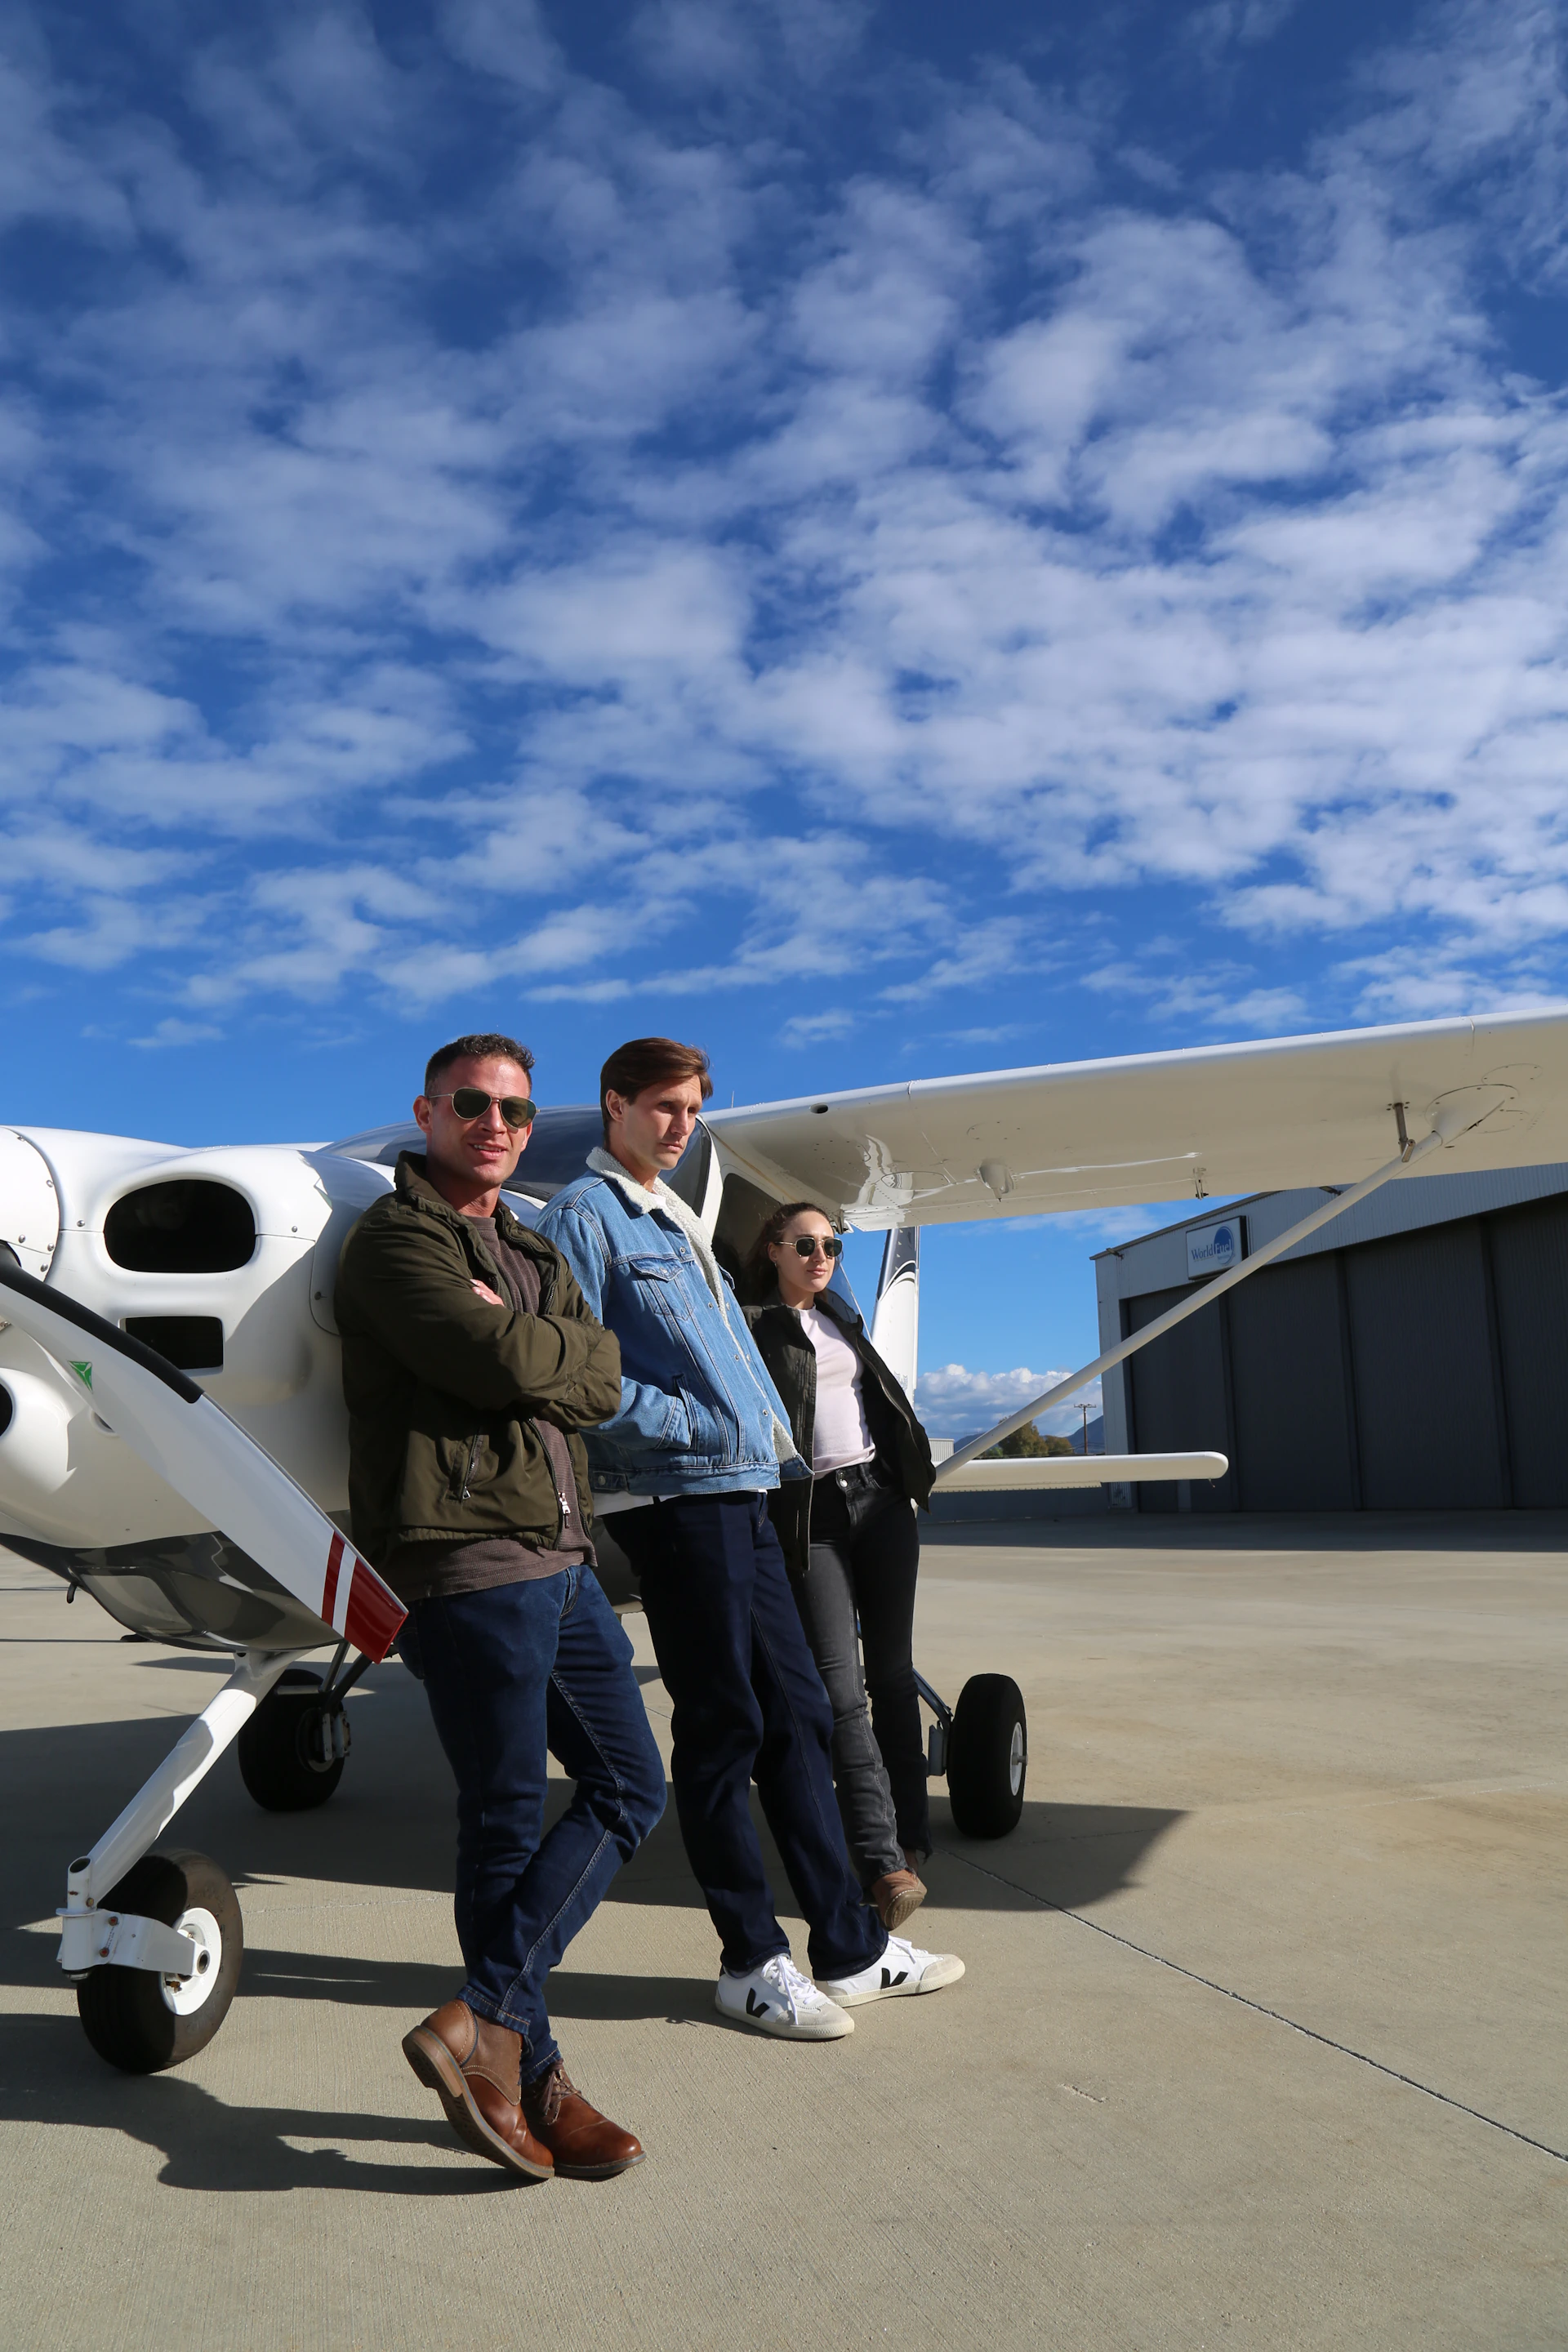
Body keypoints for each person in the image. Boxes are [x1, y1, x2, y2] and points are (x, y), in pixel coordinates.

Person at [536, 1037, 963, 2042]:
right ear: (614, 1106)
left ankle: (850, 1948)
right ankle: (749, 1959)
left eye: (691, 1111)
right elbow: (578, 1375)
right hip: (677, 1498)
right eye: (662, 1108)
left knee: (802, 1711)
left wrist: (754, 1445)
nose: (680, 1126)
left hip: (749, 1495)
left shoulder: (675, 1218)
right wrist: (704, 1427)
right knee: (726, 1726)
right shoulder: (584, 1219)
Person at [335, 1032, 666, 2182]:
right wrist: (548, 1351)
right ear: (425, 1114)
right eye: (471, 1104)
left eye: (516, 1112)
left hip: (562, 1555)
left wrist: (553, 1350)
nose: (495, 1125)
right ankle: (526, 2068)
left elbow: (603, 1372)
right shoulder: (395, 1242)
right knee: (505, 1819)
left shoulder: (523, 1241)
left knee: (632, 1786)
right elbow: (510, 1367)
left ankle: (487, 2026)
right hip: (468, 1559)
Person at [742, 1205, 936, 1935]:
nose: (822, 1256)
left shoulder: (843, 1323)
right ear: (775, 1251)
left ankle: (911, 1840)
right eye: (807, 1245)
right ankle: (881, 1860)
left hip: (880, 1503)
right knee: (841, 1690)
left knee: (892, 1675)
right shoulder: (755, 1326)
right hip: (811, 1516)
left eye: (832, 1245)